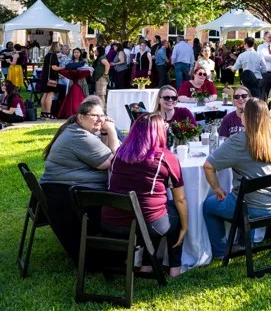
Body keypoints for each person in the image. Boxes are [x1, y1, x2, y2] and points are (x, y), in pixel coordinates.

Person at [102, 113, 188, 277]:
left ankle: (147, 264)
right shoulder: (165, 157)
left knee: (153, 210)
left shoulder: (120, 154)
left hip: (111, 223)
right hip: (146, 225)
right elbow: (181, 199)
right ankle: (174, 266)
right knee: (171, 210)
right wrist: (185, 227)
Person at [203, 98, 271, 257]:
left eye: (243, 112)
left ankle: (221, 251)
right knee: (246, 196)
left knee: (209, 205)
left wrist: (216, 188)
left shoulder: (239, 140)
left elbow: (208, 166)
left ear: (247, 117)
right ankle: (244, 242)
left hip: (252, 207)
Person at [40, 98, 119, 260]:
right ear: (80, 117)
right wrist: (111, 132)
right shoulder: (80, 136)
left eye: (102, 116)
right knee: (122, 197)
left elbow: (104, 152)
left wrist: (104, 133)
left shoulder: (76, 131)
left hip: (62, 190)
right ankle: (119, 246)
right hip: (67, 196)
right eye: (94, 115)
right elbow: (113, 162)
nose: (100, 120)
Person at [39, 42, 63, 120]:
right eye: (59, 46)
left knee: (44, 95)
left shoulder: (48, 55)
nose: (60, 47)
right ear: (56, 47)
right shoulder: (54, 55)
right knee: (50, 95)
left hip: (45, 78)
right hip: (51, 79)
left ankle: (43, 113)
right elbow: (54, 67)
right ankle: (48, 113)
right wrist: (63, 68)